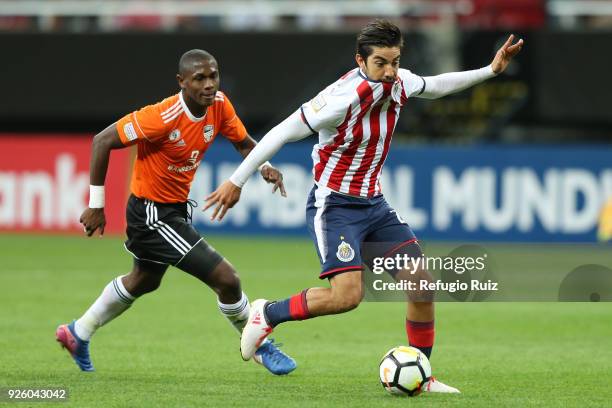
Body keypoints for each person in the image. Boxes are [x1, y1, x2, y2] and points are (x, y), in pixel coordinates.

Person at [204, 20, 523, 392]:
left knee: (421, 286)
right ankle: (266, 313)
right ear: (360, 60)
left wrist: (490, 70)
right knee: (347, 297)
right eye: (381, 63)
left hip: (374, 205)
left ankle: (421, 374)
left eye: (395, 61)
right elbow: (282, 131)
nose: (390, 72)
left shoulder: (399, 81)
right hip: (334, 205)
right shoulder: (340, 98)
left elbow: (434, 86)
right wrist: (237, 180)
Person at [55, 49, 296, 375]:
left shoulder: (220, 105)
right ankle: (258, 345)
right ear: (182, 82)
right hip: (152, 214)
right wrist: (96, 204)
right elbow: (102, 141)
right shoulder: (161, 117)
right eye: (200, 78)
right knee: (227, 279)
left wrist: (264, 165)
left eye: (213, 76)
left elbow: (242, 142)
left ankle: (77, 332)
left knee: (144, 280)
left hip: (173, 209)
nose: (209, 84)